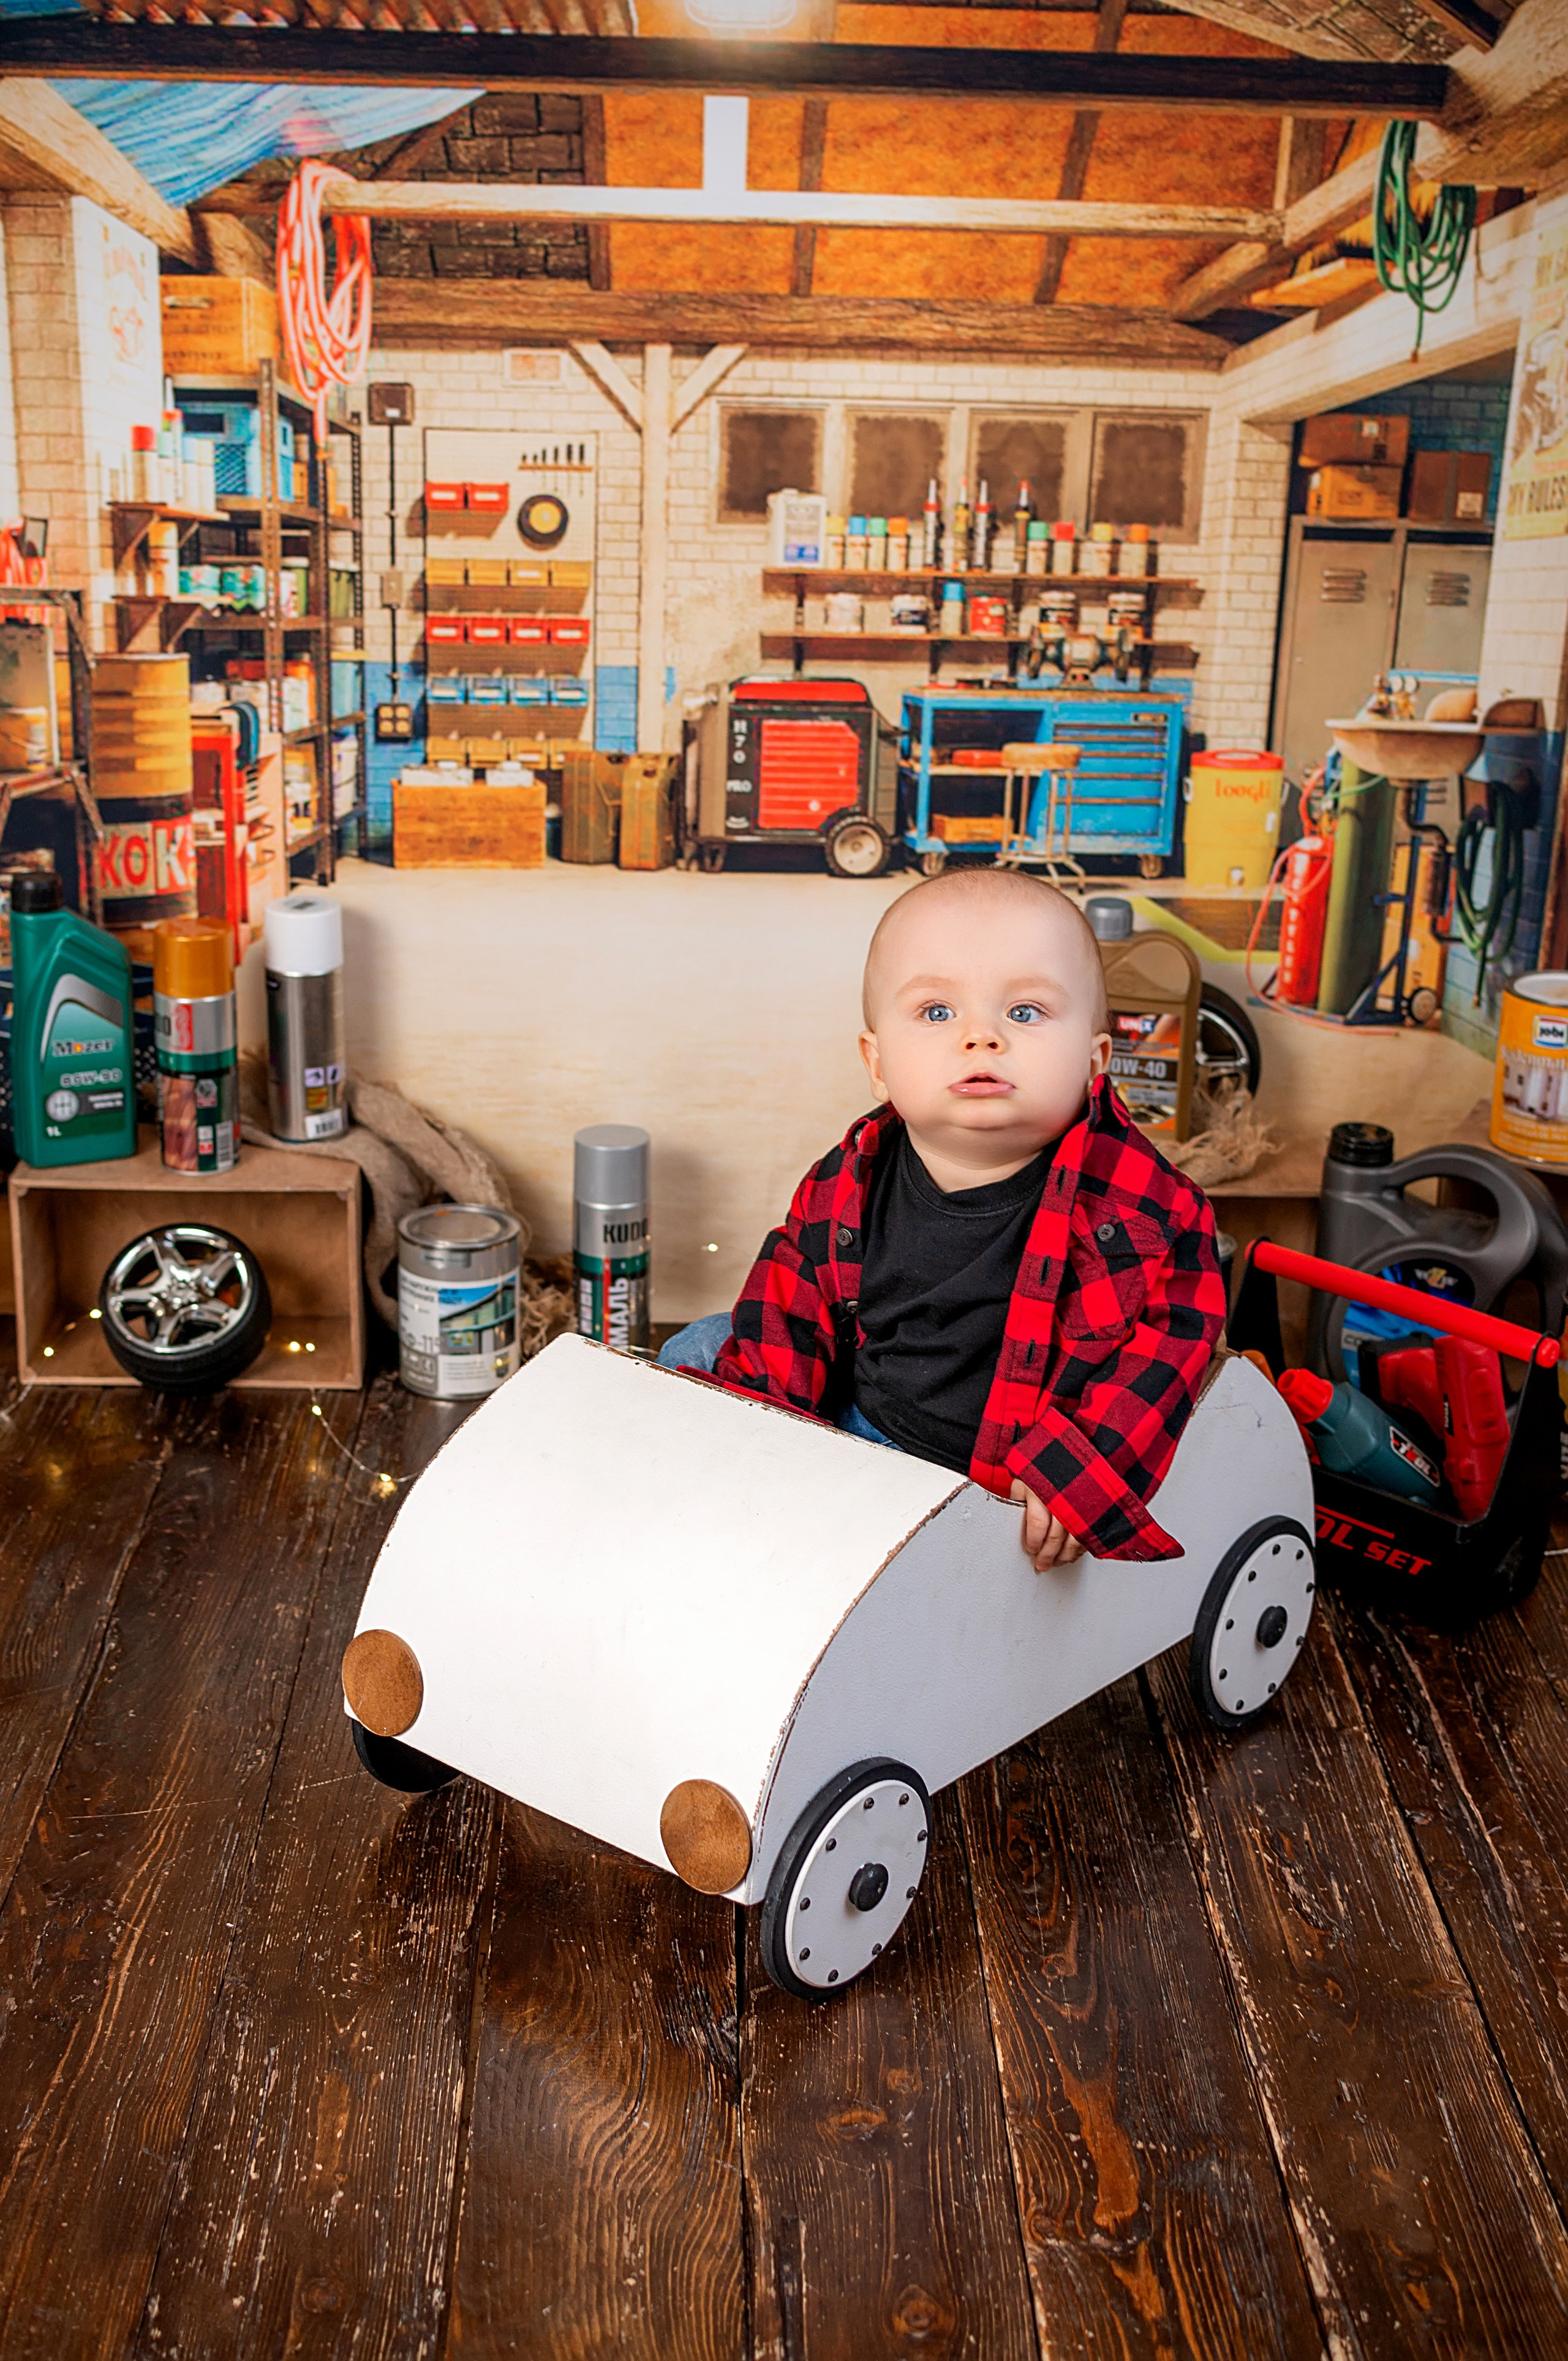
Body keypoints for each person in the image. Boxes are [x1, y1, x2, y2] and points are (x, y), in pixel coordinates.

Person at [659, 867, 1227, 1568]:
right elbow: (791, 1296)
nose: (981, 1037)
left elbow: (1170, 1346)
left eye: (1024, 1013)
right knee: (697, 1346)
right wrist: (768, 1437)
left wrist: (1078, 1470)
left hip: (994, 1487)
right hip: (860, 1423)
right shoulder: (852, 1173)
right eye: (936, 1013)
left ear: (1093, 1060)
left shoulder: (1141, 1202)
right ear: (878, 1062)